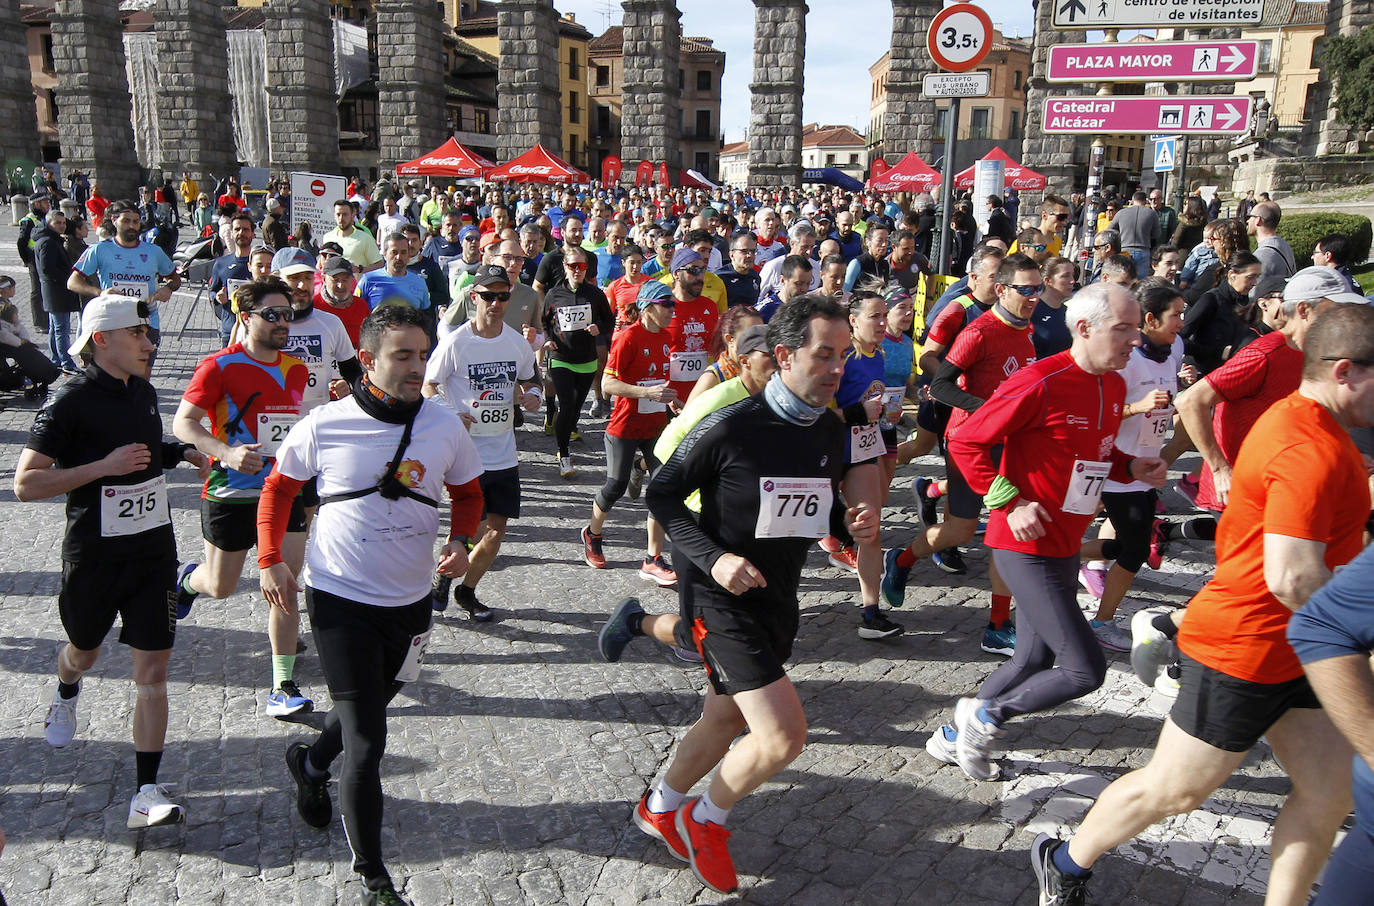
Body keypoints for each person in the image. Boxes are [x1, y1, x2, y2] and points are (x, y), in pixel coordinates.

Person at [1034, 303, 1374, 906]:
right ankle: (1063, 861)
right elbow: (1291, 578)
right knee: (1173, 792)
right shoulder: (1307, 447)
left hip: (1300, 650)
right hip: (1244, 650)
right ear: (1345, 371)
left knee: (1329, 794)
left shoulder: (1311, 424)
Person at [602, 294, 880, 895]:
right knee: (782, 737)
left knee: (725, 715)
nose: (837, 368)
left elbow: (814, 502)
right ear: (784, 355)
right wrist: (715, 559)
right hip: (716, 595)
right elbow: (662, 495)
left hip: (777, 597)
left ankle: (658, 806)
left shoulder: (829, 427)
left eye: (843, 356)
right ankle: (705, 819)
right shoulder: (731, 424)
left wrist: (844, 524)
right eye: (823, 355)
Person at [262, 304, 483, 906]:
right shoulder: (325, 423)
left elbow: (468, 493)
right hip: (339, 595)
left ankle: (311, 763)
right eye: (402, 356)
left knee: (368, 705)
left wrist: (461, 541)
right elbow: (278, 489)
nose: (417, 367)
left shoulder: (444, 425)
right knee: (368, 739)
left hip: (410, 601)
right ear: (366, 360)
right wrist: (271, 559)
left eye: (422, 355)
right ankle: (375, 879)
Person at [926, 283, 1168, 782]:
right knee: (1085, 669)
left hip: (1063, 542)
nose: (1135, 339)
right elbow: (967, 439)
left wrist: (1131, 466)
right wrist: (1007, 501)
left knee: (1033, 658)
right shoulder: (1040, 379)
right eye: (1123, 328)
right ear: (1084, 328)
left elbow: (1095, 453)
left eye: (1137, 328)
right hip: (1024, 544)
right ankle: (985, 719)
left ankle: (951, 736)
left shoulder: (1113, 385)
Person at [15, 294, 209, 828]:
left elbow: (143, 450)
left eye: (148, 333)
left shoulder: (141, 390)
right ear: (102, 340)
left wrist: (181, 452)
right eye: (138, 334)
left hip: (152, 552)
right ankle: (66, 689)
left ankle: (146, 792)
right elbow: (26, 483)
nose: (150, 343)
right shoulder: (68, 401)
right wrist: (103, 467)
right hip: (95, 557)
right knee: (84, 652)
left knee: (153, 670)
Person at [883, 253, 1043, 654]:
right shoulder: (978, 332)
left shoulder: (1026, 329)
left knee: (1006, 534)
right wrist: (987, 408)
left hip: (1010, 443)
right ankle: (900, 560)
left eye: (1038, 288)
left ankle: (998, 625)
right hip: (970, 443)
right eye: (1025, 289)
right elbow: (940, 386)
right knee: (961, 531)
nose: (1034, 297)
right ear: (1001, 289)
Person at [172, 278, 314, 718]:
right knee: (221, 586)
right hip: (230, 492)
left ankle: (282, 686)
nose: (282, 322)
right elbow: (184, 423)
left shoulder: (297, 369)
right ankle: (186, 581)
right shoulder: (219, 366)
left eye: (287, 314)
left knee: (286, 583)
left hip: (283, 490)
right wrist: (226, 453)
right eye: (272, 315)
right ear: (246, 317)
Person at [423, 264, 542, 622]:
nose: (495, 303)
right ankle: (447, 569)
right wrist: (448, 413)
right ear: (473, 297)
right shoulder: (456, 342)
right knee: (471, 528)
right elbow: (428, 385)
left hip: (503, 453)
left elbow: (531, 379)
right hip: (466, 454)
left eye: (502, 296)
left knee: (495, 534)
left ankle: (466, 590)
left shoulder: (516, 342)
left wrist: (533, 395)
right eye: (488, 296)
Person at [1076, 280, 1189, 651]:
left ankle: (1064, 556)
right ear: (1151, 319)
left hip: (1142, 469)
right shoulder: (1126, 359)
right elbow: (1096, 411)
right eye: (1175, 315)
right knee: (1135, 550)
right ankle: (1102, 622)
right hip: (1114, 469)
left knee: (1127, 547)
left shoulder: (1170, 352)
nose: (1181, 323)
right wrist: (1139, 407)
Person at [580, 280, 680, 584]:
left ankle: (652, 558)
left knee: (661, 488)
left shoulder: (666, 336)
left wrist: (672, 399)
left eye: (673, 305)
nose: (672, 310)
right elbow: (608, 385)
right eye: (666, 305)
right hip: (624, 425)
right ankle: (592, 534)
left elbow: (658, 380)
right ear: (647, 308)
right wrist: (646, 393)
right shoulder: (628, 337)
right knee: (615, 485)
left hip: (655, 427)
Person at [823, 289, 904, 639]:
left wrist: (886, 414)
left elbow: (871, 403)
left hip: (862, 451)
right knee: (798, 529)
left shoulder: (878, 353)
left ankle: (871, 612)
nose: (883, 322)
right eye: (876, 316)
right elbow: (815, 412)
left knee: (871, 525)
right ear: (853, 320)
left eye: (885, 315)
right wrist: (858, 412)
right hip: (826, 453)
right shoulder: (841, 357)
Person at [68, 200, 181, 351]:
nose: (132, 226)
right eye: (126, 221)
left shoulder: (154, 251)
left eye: (136, 221)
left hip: (147, 323)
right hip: (112, 324)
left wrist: (168, 288)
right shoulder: (99, 249)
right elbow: (72, 282)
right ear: (114, 221)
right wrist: (100, 293)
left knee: (143, 367)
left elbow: (175, 279)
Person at [541, 245, 614, 477]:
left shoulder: (595, 294)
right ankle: (564, 454)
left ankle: (566, 431)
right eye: (573, 266)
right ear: (565, 267)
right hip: (560, 357)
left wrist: (598, 328)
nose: (577, 270)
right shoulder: (554, 294)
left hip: (586, 359)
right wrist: (548, 340)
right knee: (567, 403)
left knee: (575, 408)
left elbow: (609, 320)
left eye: (581, 266)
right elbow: (544, 321)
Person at [1181, 250, 1261, 375]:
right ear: (1232, 274)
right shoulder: (1211, 299)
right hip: (1201, 373)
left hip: (1230, 373)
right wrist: (1217, 352)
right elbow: (1179, 339)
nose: (1255, 283)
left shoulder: (1249, 304)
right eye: (1250, 277)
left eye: (1257, 277)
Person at [33, 208, 80, 374]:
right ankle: (66, 362)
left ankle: (56, 359)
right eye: (58, 223)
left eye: (64, 223)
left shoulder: (51, 239)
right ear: (49, 223)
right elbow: (48, 269)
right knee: (61, 329)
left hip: (54, 290)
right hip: (56, 291)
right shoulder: (48, 242)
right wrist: (67, 280)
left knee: (56, 328)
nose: (62, 226)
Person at [688, 305, 764, 404]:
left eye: (761, 334)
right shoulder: (712, 378)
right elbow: (690, 413)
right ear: (729, 339)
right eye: (751, 335)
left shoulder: (765, 371)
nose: (758, 341)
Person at [208, 212, 258, 348]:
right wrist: (218, 297)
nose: (241, 233)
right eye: (237, 229)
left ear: (253, 234)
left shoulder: (260, 265)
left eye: (246, 229)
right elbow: (212, 291)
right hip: (229, 331)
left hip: (257, 332)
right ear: (231, 233)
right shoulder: (221, 264)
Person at [357, 234, 431, 314]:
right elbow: (356, 309)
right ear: (384, 254)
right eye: (394, 252)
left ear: (408, 255)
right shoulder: (368, 280)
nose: (398, 257)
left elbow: (425, 314)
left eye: (403, 252)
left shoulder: (419, 282)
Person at [315, 256, 369, 349]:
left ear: (352, 280)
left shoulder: (361, 306)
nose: (340, 285)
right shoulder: (314, 307)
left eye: (345, 280)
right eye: (335, 280)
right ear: (324, 279)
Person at [17, 191, 52, 332]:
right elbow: (21, 242)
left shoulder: (45, 218)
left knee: (46, 288)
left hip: (45, 256)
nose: (48, 205)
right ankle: (39, 323)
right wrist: (26, 260)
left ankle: (48, 320)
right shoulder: (28, 220)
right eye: (45, 202)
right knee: (36, 290)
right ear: (36, 204)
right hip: (33, 257)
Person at [321, 199, 383, 272]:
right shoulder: (328, 237)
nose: (341, 218)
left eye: (345, 214)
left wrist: (359, 269)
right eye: (338, 214)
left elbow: (379, 265)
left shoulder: (365, 238)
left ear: (353, 215)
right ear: (334, 215)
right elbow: (320, 264)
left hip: (357, 279)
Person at [1032, 256, 1075, 359]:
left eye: (1073, 275)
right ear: (1048, 280)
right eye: (1066, 276)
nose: (1072, 281)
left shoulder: (1069, 313)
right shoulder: (1032, 311)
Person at [1247, 200, 1296, 278]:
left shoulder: (1262, 255)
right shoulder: (1284, 245)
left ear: (1258, 220)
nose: (1247, 220)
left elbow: (1256, 285)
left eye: (1250, 216)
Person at [714, 232, 762, 309]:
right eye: (744, 251)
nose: (749, 255)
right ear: (731, 255)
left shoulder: (755, 277)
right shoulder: (720, 278)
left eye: (753, 251)